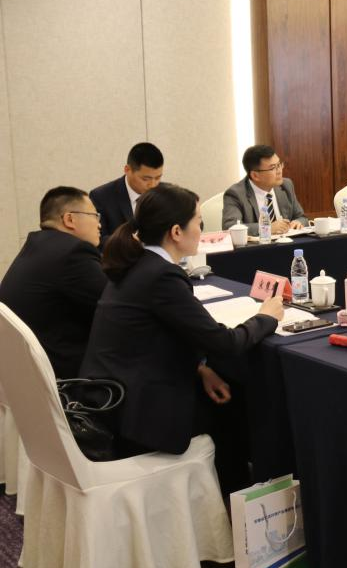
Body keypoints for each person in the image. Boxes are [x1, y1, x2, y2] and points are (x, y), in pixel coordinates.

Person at [80, 184, 283, 490]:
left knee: (226, 395)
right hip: (140, 414)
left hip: (113, 398)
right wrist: (266, 317)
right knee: (236, 408)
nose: (201, 230)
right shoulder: (161, 275)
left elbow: (152, 337)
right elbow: (225, 343)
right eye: (198, 222)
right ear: (176, 231)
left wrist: (200, 368)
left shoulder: (135, 262)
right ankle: (233, 500)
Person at [0, 187, 106, 379]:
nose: (99, 224)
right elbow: (114, 305)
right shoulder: (73, 253)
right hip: (65, 375)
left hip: (25, 371)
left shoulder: (39, 245)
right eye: (95, 215)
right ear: (70, 219)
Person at [222, 145, 308, 235]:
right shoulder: (236, 194)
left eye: (279, 165)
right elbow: (230, 227)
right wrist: (266, 228)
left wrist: (298, 222)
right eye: (273, 168)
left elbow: (302, 217)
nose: (279, 171)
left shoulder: (286, 185)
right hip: (258, 244)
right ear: (255, 175)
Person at [89, 142, 164, 244]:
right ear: (127, 170)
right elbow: (97, 240)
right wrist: (130, 242)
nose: (153, 185)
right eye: (146, 179)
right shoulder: (101, 196)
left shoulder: (166, 194)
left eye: (158, 178)